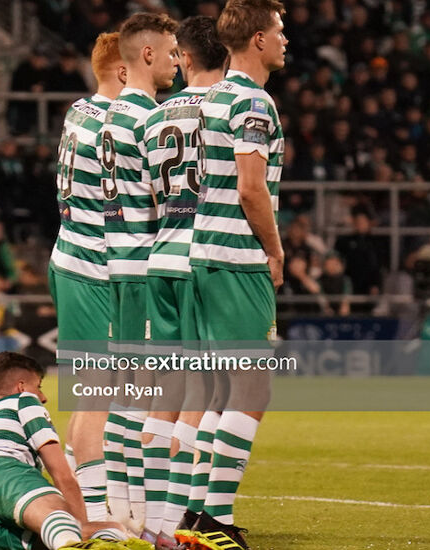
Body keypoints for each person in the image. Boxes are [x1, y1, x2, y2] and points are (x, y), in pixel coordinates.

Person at [187, 1, 288, 549]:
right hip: (235, 257)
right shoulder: (253, 101)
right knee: (251, 387)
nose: (285, 40)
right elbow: (252, 189)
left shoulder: (216, 95)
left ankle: (199, 512)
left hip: (204, 253)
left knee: (224, 389)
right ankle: (213, 518)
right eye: (279, 30)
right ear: (256, 39)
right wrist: (275, 251)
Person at [139, 15, 227, 547]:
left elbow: (155, 195)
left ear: (186, 56)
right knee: (208, 390)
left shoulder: (154, 119)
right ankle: (184, 519)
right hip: (204, 258)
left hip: (160, 253)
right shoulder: (229, 107)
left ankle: (153, 520)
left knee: (166, 393)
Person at [98, 12, 179, 532]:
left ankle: (122, 512)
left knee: (124, 393)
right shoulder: (150, 119)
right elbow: (165, 197)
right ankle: (151, 524)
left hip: (113, 266)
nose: (177, 60)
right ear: (146, 55)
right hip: (147, 267)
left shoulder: (108, 116)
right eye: (171, 52)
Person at [48, 31, 126, 525]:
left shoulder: (79, 110)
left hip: (71, 255)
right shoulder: (117, 124)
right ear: (124, 70)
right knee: (100, 394)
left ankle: (77, 498)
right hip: (92, 264)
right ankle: (95, 516)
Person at [0, 352, 131, 550]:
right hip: (2, 468)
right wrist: (81, 527)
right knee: (66, 523)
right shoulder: (23, 400)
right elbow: (62, 475)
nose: (43, 398)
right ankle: (71, 541)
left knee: (110, 528)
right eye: (38, 387)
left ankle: (66, 539)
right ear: (21, 386)